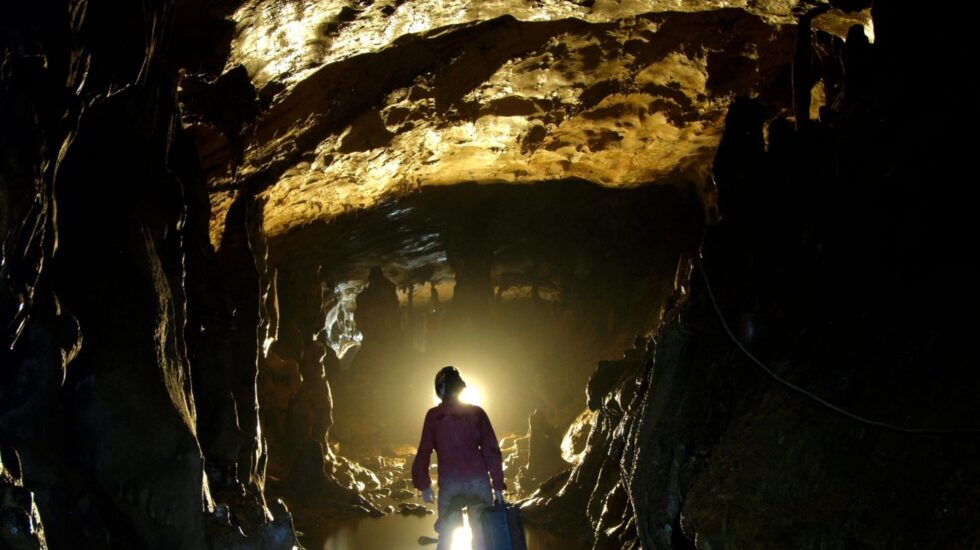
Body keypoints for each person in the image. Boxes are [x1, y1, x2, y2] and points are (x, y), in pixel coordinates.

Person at [412, 366, 505, 549]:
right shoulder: (477, 413)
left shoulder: (434, 416)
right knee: (483, 538)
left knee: (447, 537)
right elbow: (491, 450)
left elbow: (424, 451)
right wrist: (498, 486)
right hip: (478, 482)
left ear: (441, 389)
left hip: (451, 485)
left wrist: (423, 485)